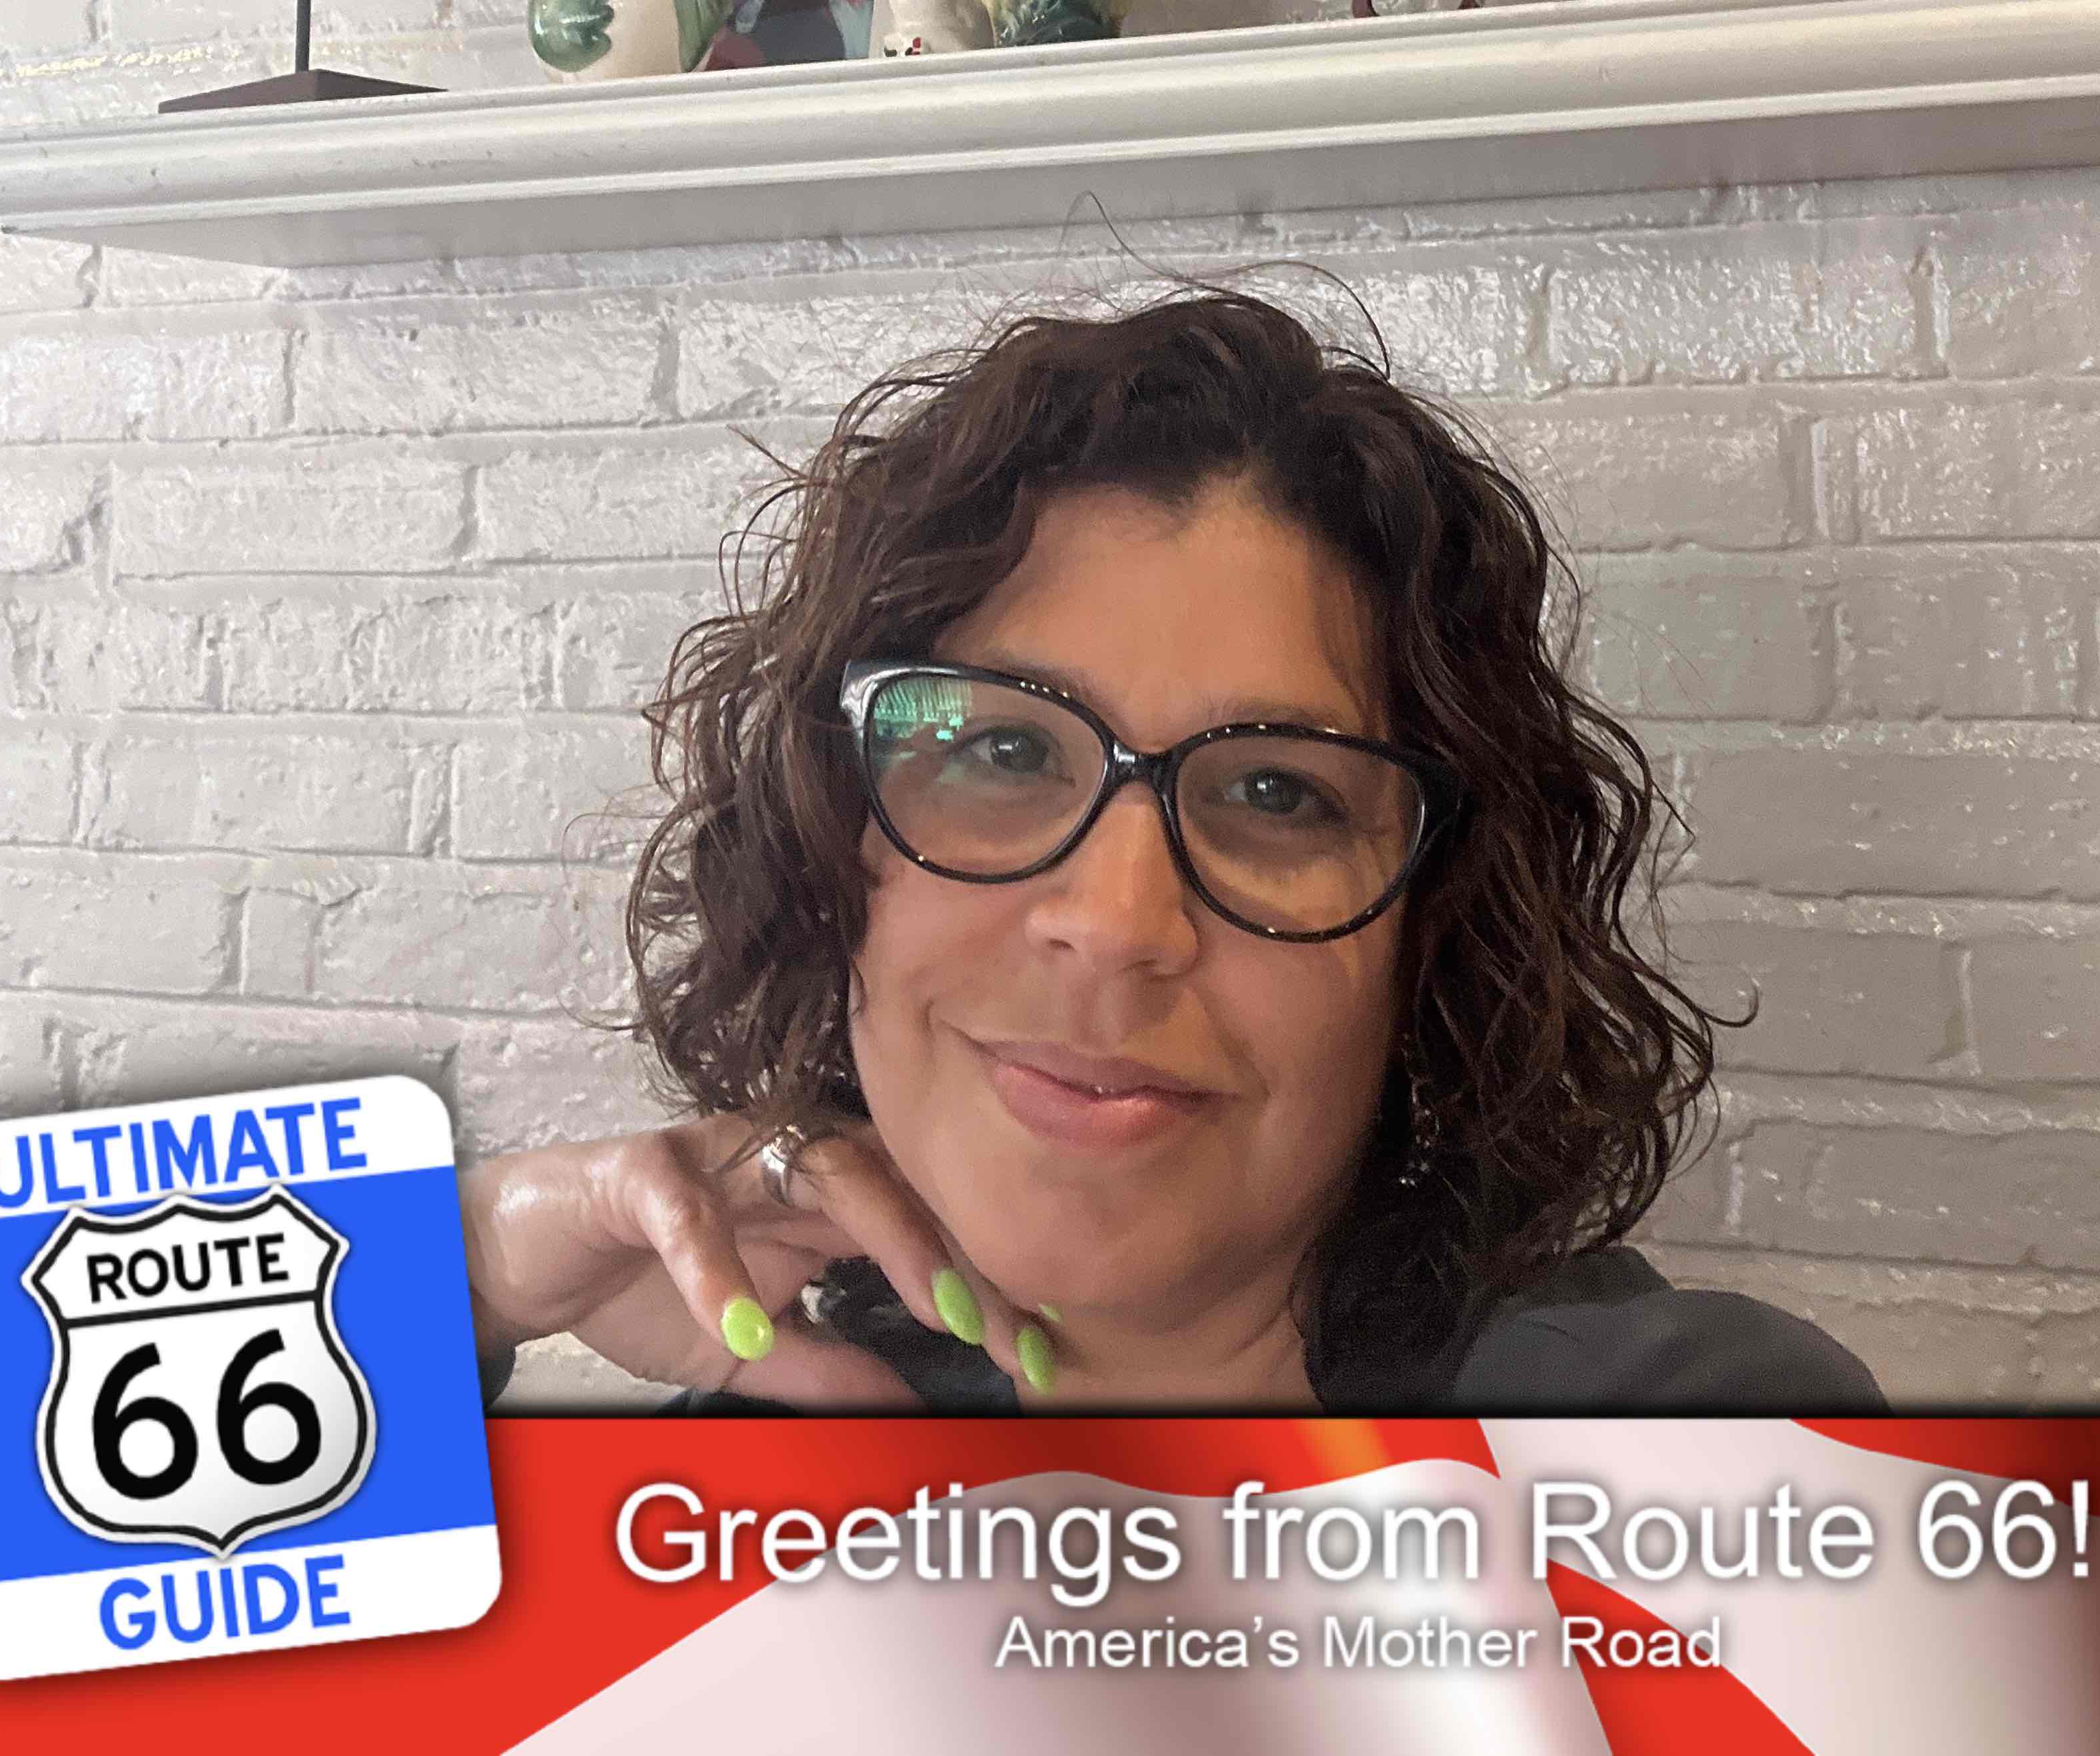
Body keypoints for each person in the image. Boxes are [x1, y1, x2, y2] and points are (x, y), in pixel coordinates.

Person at [461, 288, 1883, 1414]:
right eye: (1005, 753)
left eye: (1275, 792)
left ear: (1433, 939)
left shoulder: (1687, 1438)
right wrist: (456, 1280)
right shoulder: (776, 1419)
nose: (1118, 920)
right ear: (829, 842)